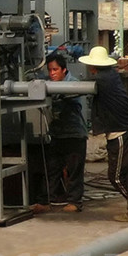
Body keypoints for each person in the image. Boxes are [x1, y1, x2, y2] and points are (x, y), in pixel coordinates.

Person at [79, 46, 128, 222]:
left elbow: (83, 87)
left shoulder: (102, 80)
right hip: (127, 130)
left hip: (120, 134)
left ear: (93, 66)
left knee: (115, 177)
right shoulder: (111, 75)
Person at [33, 53, 88, 214]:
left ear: (64, 69)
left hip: (74, 135)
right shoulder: (49, 84)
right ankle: (44, 201)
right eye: (50, 70)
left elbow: (74, 99)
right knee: (51, 169)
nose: (52, 73)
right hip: (57, 134)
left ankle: (75, 202)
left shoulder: (74, 84)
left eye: (55, 69)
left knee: (74, 170)